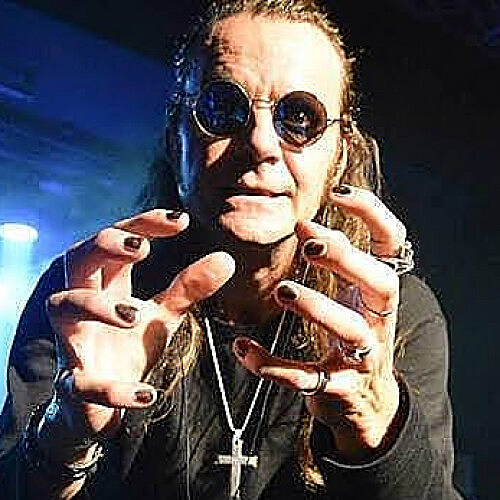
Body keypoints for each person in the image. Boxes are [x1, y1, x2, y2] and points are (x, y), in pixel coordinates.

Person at [0, 0, 460, 498]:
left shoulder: (392, 315)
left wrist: (374, 419)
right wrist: (67, 433)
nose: (261, 144)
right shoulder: (88, 298)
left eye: (299, 117)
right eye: (223, 108)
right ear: (176, 137)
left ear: (339, 153)